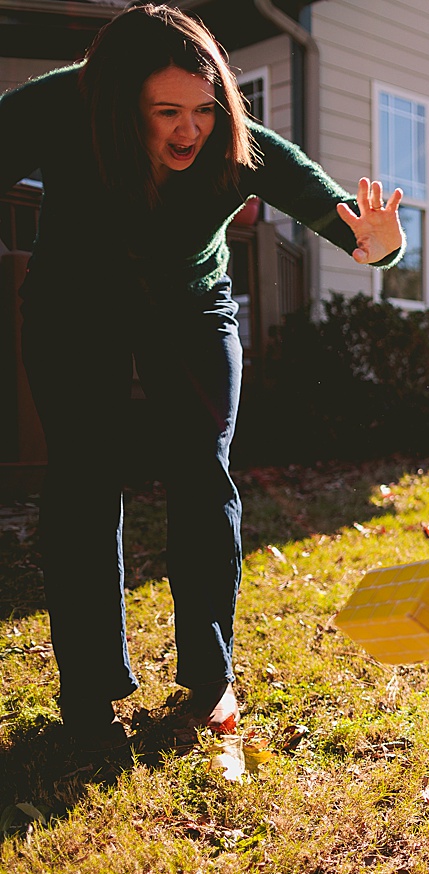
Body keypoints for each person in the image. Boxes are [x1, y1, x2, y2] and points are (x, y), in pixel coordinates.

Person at [0, 4, 406, 748]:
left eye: (203, 109)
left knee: (201, 471)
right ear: (118, 103)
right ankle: (89, 695)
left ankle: (209, 678)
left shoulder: (239, 146)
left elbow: (352, 230)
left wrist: (379, 247)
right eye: (166, 113)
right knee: (85, 477)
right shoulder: (64, 103)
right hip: (74, 301)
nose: (189, 130)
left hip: (191, 304)